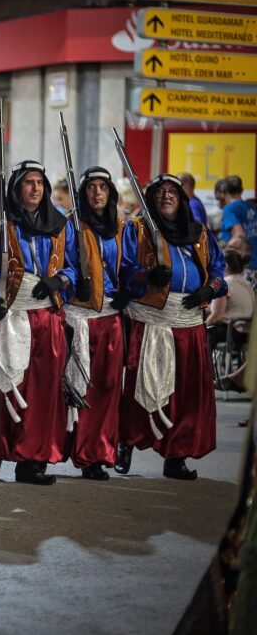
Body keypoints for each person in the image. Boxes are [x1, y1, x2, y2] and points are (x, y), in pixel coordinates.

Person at [0, 160, 78, 486]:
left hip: (45, 318)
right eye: (28, 182)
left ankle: (33, 461)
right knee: (2, 384)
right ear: (16, 188)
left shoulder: (61, 225)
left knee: (43, 392)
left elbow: (75, 267)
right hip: (10, 315)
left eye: (39, 182)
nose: (35, 188)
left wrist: (59, 280)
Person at [117, 173, 226, 480]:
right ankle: (126, 443)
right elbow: (124, 271)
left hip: (188, 322)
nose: (166, 196)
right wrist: (146, 278)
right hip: (149, 319)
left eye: (172, 192)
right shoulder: (136, 230)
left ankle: (176, 456)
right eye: (160, 192)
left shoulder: (199, 233)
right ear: (151, 199)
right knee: (140, 387)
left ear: (181, 199)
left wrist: (209, 290)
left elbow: (218, 269)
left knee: (185, 394)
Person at [63, 167, 128, 481]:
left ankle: (102, 452)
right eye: (91, 187)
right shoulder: (72, 226)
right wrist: (73, 282)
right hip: (81, 317)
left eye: (103, 187)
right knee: (80, 387)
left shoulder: (120, 226)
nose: (97, 193)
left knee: (108, 388)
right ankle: (84, 453)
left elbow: (127, 266)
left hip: (111, 320)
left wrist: (133, 288)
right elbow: (64, 264)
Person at [218, 176, 256, 268]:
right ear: (242, 190)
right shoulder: (251, 208)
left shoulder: (229, 209)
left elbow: (239, 235)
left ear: (223, 191)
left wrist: (223, 249)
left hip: (243, 266)